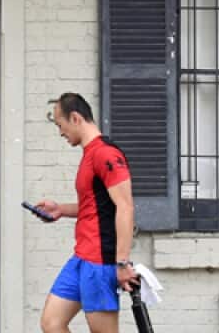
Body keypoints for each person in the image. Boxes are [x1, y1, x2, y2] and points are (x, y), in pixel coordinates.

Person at [36, 92, 138, 333]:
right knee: (52, 323)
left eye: (60, 125)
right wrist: (60, 209)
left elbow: (125, 207)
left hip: (99, 262)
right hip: (81, 256)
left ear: (75, 118)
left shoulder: (106, 154)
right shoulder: (89, 154)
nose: (60, 132)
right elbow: (95, 206)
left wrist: (122, 263)